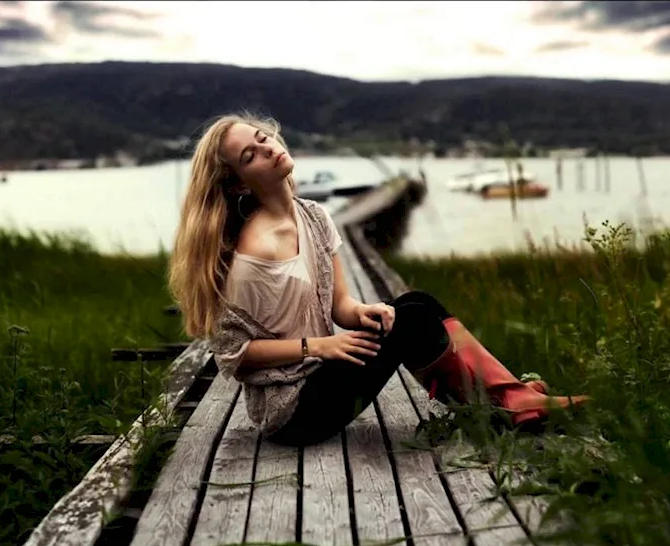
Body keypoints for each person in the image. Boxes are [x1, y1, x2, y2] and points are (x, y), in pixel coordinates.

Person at [168, 112, 589, 447]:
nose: (267, 149)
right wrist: (318, 345)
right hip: (294, 412)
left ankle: (508, 397)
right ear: (240, 185)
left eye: (262, 138)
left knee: (414, 305)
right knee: (415, 322)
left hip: (324, 376)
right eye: (250, 156)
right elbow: (233, 354)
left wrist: (366, 313)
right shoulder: (252, 254)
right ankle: (508, 405)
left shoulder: (314, 216)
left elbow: (341, 308)